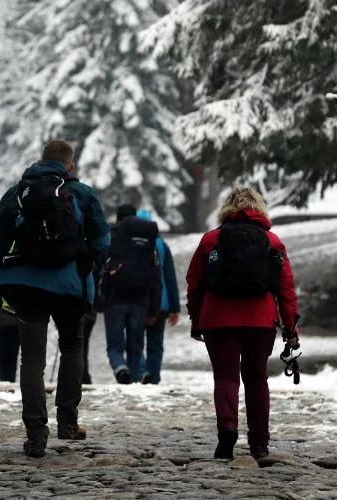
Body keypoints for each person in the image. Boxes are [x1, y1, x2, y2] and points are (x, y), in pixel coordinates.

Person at [0, 139, 110, 458]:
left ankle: (36, 433)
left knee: (33, 358)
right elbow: (102, 241)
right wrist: (89, 268)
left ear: (40, 161)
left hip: (27, 286)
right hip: (70, 285)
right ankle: (68, 422)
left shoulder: (17, 194)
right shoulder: (82, 194)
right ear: (70, 165)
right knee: (71, 346)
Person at [185, 187, 298, 462]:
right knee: (256, 377)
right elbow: (286, 290)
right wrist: (290, 328)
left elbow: (194, 283)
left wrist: (196, 317)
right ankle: (259, 443)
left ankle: (227, 428)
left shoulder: (211, 240)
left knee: (225, 376)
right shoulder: (272, 242)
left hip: (218, 318)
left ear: (226, 210)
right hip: (260, 320)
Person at [98, 204, 159, 384]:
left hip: (114, 299)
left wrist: (96, 299)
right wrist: (153, 309)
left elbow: (99, 266)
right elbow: (156, 276)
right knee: (136, 347)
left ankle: (121, 369)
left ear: (118, 218)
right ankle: (139, 374)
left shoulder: (111, 236)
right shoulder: (146, 240)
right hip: (140, 299)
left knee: (115, 346)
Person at [137, 208, 180, 385]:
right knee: (155, 344)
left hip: (137, 301)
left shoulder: (131, 244)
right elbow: (170, 277)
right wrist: (174, 308)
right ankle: (153, 378)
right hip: (160, 303)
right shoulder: (161, 245)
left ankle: (141, 373)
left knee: (135, 341)